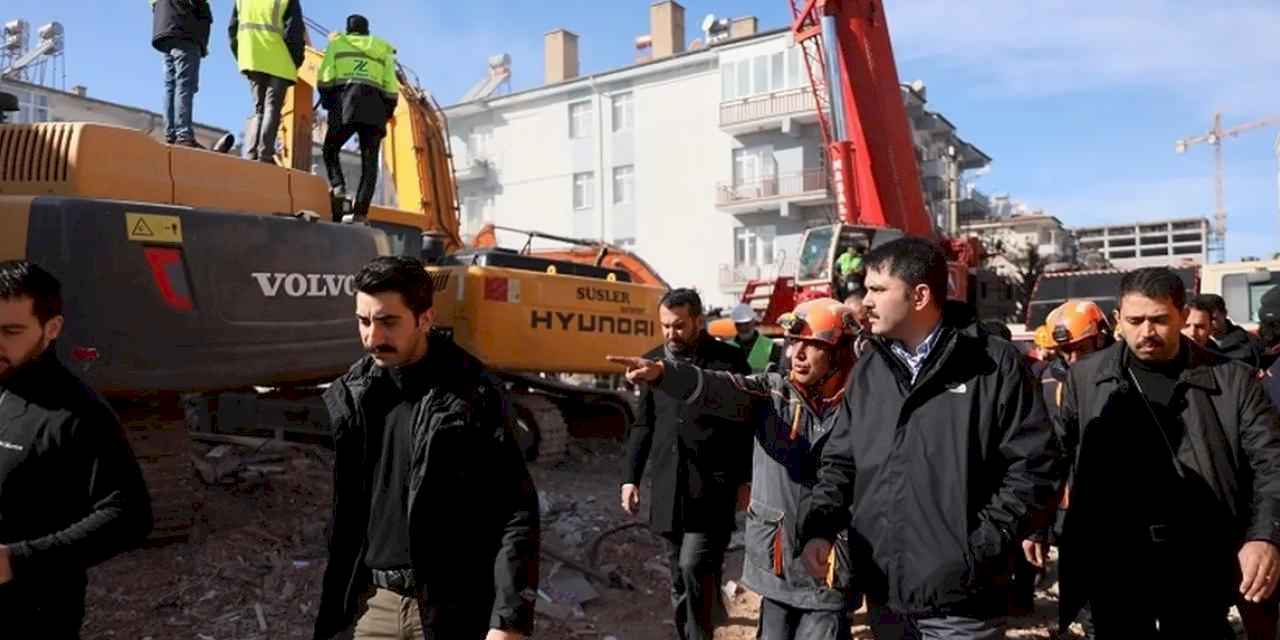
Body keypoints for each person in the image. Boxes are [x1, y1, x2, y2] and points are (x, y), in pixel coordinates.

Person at [797, 237, 1059, 640]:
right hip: (885, 593)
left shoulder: (993, 364)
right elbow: (841, 461)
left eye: (878, 290)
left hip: (963, 603)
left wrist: (975, 553)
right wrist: (819, 526)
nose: (865, 301)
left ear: (919, 295)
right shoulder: (870, 369)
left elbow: (1033, 469)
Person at [1044, 267, 1280, 638]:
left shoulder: (1232, 379)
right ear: (1119, 320)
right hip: (1114, 560)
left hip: (1200, 559)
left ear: (1183, 317)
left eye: (1159, 320)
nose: (1146, 332)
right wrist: (1036, 524)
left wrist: (1264, 535)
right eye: (1135, 321)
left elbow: (1271, 465)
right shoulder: (1085, 379)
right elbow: (1055, 456)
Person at [609, 297, 863, 640]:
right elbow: (719, 387)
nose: (796, 355)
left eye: (812, 346)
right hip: (777, 570)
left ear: (840, 352)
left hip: (830, 570)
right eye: (794, 344)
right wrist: (664, 373)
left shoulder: (864, 409)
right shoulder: (772, 394)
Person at [313, 256, 539, 640]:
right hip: (373, 605)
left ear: (425, 319)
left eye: (388, 322)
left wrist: (509, 620)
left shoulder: (473, 393)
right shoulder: (354, 395)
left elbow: (515, 509)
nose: (372, 337)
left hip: (451, 608)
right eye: (363, 321)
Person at [0, 260, 154, 637]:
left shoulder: (78, 413)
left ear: (51, 329)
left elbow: (129, 516)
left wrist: (14, 561)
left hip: (32, 616)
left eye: (10, 331)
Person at [621, 288, 752, 640]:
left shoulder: (728, 361)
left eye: (678, 326)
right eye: (665, 326)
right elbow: (643, 425)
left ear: (698, 321)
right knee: (681, 577)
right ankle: (696, 628)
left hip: (714, 486)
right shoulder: (650, 362)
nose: (670, 334)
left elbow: (745, 427)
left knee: (694, 565)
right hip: (669, 487)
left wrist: (746, 480)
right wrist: (629, 478)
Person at [1017, 300, 1111, 633]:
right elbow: (1045, 455)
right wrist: (1038, 526)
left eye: (1079, 349)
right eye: (1065, 351)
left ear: (1101, 337)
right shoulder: (1047, 384)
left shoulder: (1126, 375)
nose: (1071, 359)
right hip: (1072, 514)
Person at [318, 14, 399, 224]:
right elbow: (391, 88)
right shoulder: (382, 49)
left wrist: (329, 104)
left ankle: (338, 186)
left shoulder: (337, 44)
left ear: (349, 30)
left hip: (345, 107)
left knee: (329, 149)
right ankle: (360, 213)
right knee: (370, 165)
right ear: (367, 31)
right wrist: (387, 113)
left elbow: (324, 78)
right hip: (375, 112)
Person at [229, 0, 305, 164]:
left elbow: (232, 30)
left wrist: (242, 56)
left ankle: (251, 153)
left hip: (252, 58)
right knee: (273, 106)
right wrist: (296, 61)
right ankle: (265, 155)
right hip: (278, 59)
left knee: (259, 108)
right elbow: (294, 32)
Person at [151, 0, 212, 147]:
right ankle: (183, 134)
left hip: (166, 25)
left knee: (171, 85)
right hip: (184, 27)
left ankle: (171, 133)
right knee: (184, 84)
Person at [1197, 292, 1267, 368]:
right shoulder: (1195, 342)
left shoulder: (1248, 342)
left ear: (1225, 313)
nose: (1209, 323)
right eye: (1204, 319)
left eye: (1213, 318)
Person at [725, 303, 782, 374]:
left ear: (753, 322)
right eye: (739, 324)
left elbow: (777, 375)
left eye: (746, 323)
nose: (743, 328)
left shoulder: (770, 346)